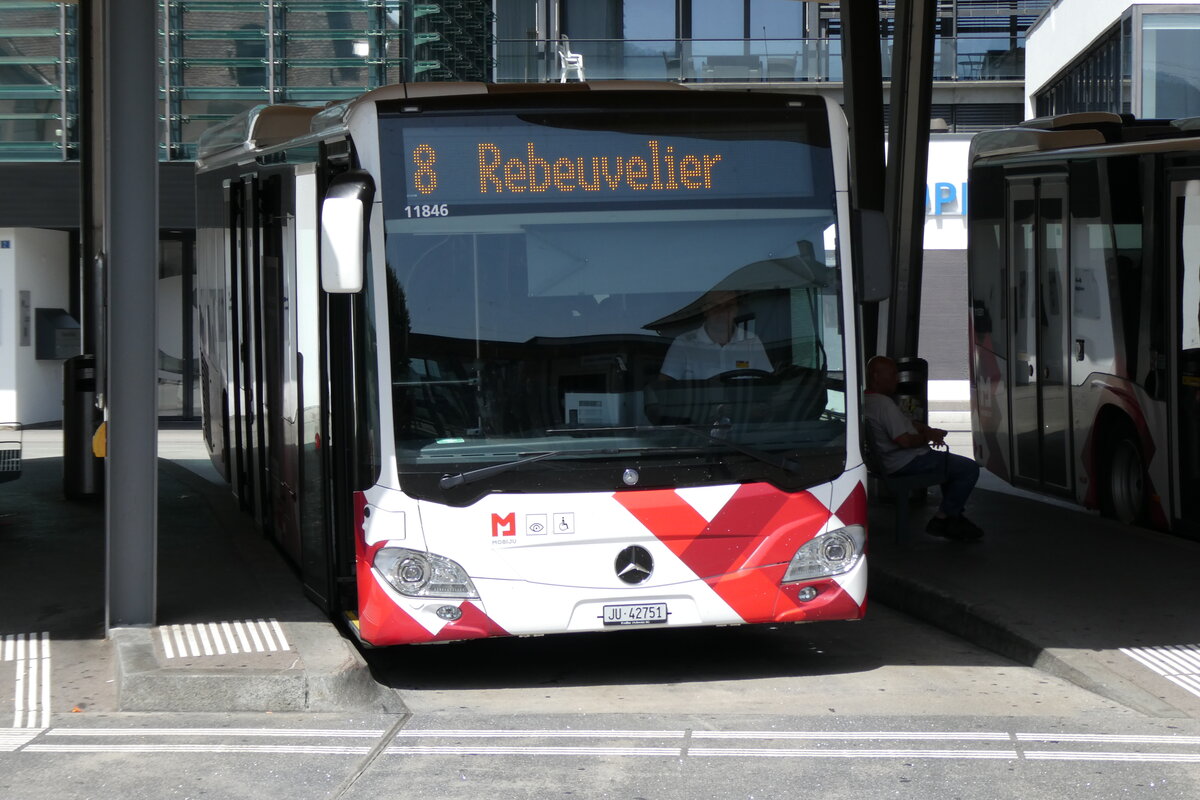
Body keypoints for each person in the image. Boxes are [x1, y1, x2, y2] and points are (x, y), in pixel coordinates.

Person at [863, 355, 982, 541]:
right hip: (908, 461)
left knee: (950, 466)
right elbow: (904, 441)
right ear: (876, 376)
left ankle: (953, 516)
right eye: (892, 374)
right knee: (969, 468)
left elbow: (904, 424)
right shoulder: (884, 405)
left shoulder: (868, 401)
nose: (896, 379)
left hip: (891, 461)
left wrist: (926, 429)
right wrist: (929, 437)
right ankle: (942, 518)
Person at [658, 290, 771, 381]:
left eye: (728, 306)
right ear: (705, 310)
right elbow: (665, 386)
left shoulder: (752, 341)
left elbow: (768, 381)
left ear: (736, 310)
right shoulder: (683, 343)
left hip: (745, 403)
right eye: (716, 307)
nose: (722, 312)